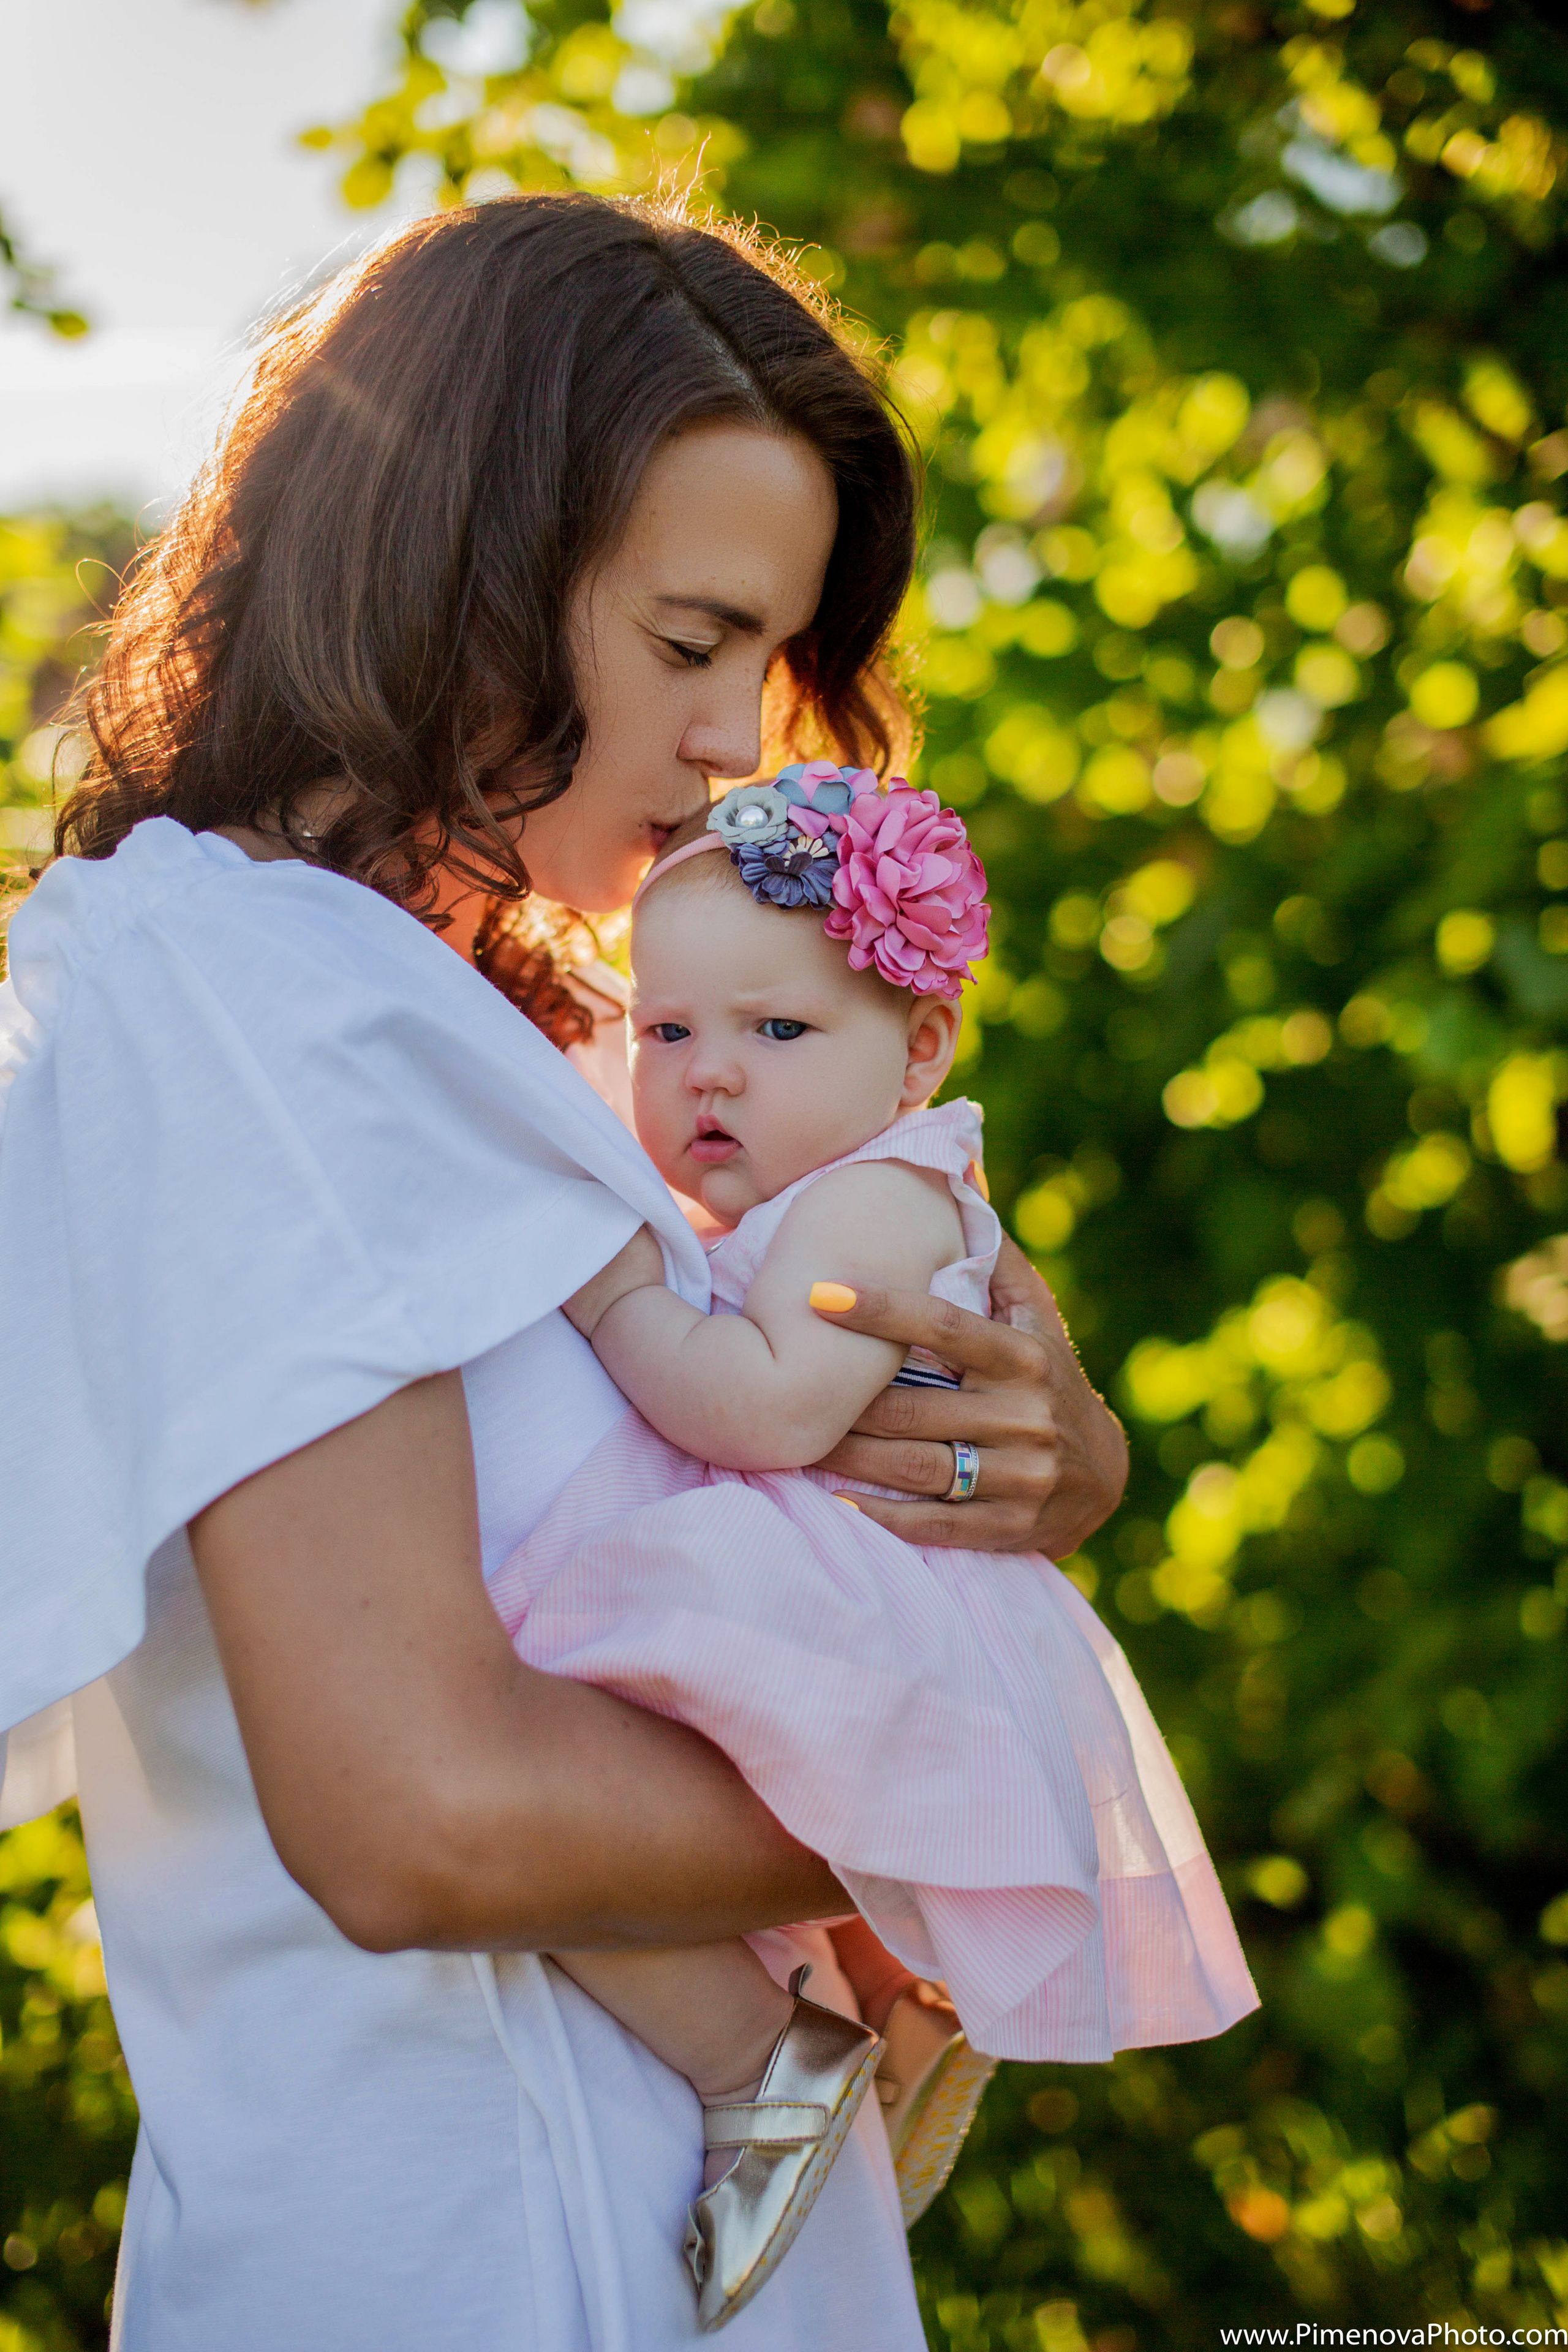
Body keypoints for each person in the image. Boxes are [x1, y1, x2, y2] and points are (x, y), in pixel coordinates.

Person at [0, 195, 1130, 2352]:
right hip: (468, 2261)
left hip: (674, 2244)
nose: (738, 737)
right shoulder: (257, 1001)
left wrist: (1038, 1467)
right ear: (463, 567)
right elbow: (420, 1819)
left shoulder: (526, 1028)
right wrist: (1012, 1784)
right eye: (689, 640)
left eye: (769, 660)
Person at [491, 769, 1258, 2329]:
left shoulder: (874, 1207)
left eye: (775, 1035)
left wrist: (612, 1293)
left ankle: (771, 2046)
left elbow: (762, 1412)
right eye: (667, 1033)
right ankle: (889, 2007)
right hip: (862, 1583)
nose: (709, 1077)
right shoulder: (827, 1182)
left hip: (865, 1590)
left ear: (919, 1054)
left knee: (531, 1698)